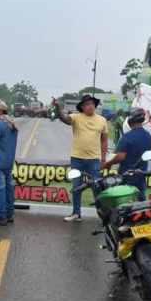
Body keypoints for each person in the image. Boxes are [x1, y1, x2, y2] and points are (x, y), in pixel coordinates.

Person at [52, 93, 108, 222]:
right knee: (77, 186)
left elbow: (104, 141)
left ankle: (103, 216)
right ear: (82, 107)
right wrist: (57, 107)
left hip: (93, 159)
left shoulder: (102, 120)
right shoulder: (76, 117)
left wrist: (103, 159)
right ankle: (76, 213)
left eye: (92, 104)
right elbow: (64, 118)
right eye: (87, 104)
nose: (90, 106)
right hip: (77, 158)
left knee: (96, 187)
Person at [102, 108, 151, 201]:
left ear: (131, 118)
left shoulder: (128, 136)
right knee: (141, 201)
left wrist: (108, 163)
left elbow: (121, 156)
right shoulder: (148, 136)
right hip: (141, 175)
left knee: (125, 201)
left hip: (127, 176)